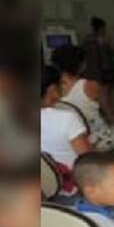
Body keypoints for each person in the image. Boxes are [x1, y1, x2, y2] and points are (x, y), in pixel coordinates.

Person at [51, 45, 114, 188]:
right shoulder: (90, 85)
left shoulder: (51, 88)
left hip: (64, 138)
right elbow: (110, 114)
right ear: (81, 65)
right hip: (92, 138)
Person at [40, 65, 92, 196]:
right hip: (72, 189)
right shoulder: (67, 118)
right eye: (61, 83)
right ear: (51, 89)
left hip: (42, 191)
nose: (63, 86)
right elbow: (88, 160)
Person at [82, 16, 114, 87]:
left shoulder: (87, 39)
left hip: (90, 72)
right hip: (103, 72)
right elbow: (109, 55)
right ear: (101, 28)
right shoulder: (104, 40)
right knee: (105, 93)